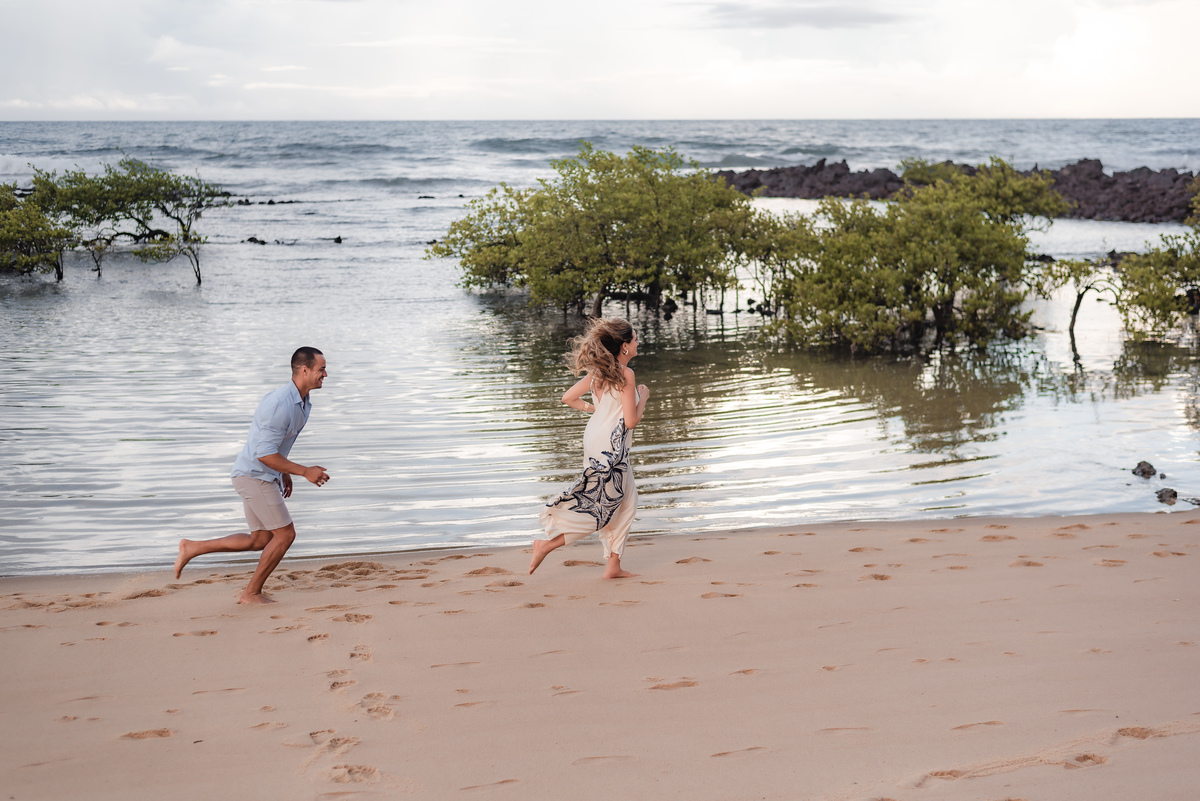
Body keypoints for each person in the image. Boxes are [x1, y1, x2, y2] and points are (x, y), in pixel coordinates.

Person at [174, 347, 330, 604]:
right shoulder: (280, 404)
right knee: (286, 535)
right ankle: (251, 593)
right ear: (304, 370)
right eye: (321, 369)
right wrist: (303, 471)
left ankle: (192, 548)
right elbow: (263, 454)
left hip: (262, 474)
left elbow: (273, 448)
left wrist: (284, 471)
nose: (325, 374)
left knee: (260, 539)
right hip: (254, 475)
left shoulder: (302, 402)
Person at [530, 318, 649, 579]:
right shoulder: (626, 374)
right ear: (625, 347)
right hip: (612, 448)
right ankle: (547, 545)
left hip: (595, 440)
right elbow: (630, 421)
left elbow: (568, 398)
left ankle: (613, 565)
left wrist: (597, 411)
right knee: (603, 506)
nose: (639, 342)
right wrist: (645, 399)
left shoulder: (598, 373)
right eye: (635, 339)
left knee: (626, 501)